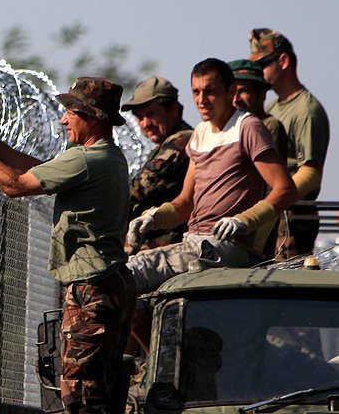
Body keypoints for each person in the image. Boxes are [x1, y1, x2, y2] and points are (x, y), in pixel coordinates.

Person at [0, 77, 136, 414]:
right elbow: (40, 170)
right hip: (109, 283)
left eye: (70, 113)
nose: (63, 120)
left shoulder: (87, 159)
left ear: (90, 116)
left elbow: (15, 185)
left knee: (81, 395)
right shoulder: (106, 157)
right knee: (104, 390)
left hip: (92, 290)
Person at [126, 59, 297, 350]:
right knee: (129, 291)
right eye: (196, 92)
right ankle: (159, 360)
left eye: (210, 91)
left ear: (230, 91)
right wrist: (154, 217)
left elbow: (285, 189)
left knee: (124, 275)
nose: (202, 100)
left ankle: (159, 363)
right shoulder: (200, 135)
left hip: (228, 247)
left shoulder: (247, 127)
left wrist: (245, 220)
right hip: (196, 243)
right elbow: (184, 203)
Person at [248, 28, 330, 259]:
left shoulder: (306, 109)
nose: (258, 72)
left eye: (263, 64)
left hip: (291, 218)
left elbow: (311, 174)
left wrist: (272, 202)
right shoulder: (274, 108)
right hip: (271, 213)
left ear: (283, 61)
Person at [121, 76, 193, 252]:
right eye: (140, 117)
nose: (145, 123)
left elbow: (140, 188)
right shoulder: (168, 144)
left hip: (168, 248)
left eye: (151, 114)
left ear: (174, 110)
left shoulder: (181, 142)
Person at [228, 58, 290, 257]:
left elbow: (274, 190)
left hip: (249, 238)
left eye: (243, 91)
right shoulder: (229, 127)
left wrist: (256, 243)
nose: (236, 98)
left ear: (261, 94)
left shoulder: (266, 126)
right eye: (232, 91)